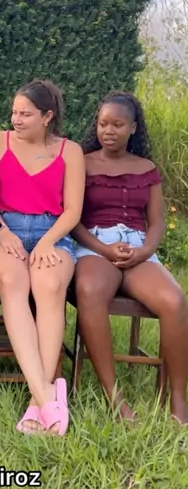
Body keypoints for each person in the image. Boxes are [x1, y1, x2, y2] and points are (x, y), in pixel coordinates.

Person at [72, 91, 188, 425]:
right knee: (90, 290)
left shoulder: (146, 168)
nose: (108, 131)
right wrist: (104, 248)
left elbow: (158, 221)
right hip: (94, 245)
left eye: (117, 124)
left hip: (137, 246)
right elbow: (72, 220)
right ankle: (115, 399)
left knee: (174, 300)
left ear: (133, 128)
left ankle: (177, 401)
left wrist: (145, 251)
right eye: (102, 124)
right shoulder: (82, 162)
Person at [0, 80, 85, 436]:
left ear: (47, 116)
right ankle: (47, 396)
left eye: (25, 114)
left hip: (52, 231)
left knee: (49, 287)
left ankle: (35, 402)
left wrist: (48, 241)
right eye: (14, 112)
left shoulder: (70, 151)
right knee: (12, 282)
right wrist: (1, 231)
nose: (16, 119)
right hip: (3, 229)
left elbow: (73, 211)